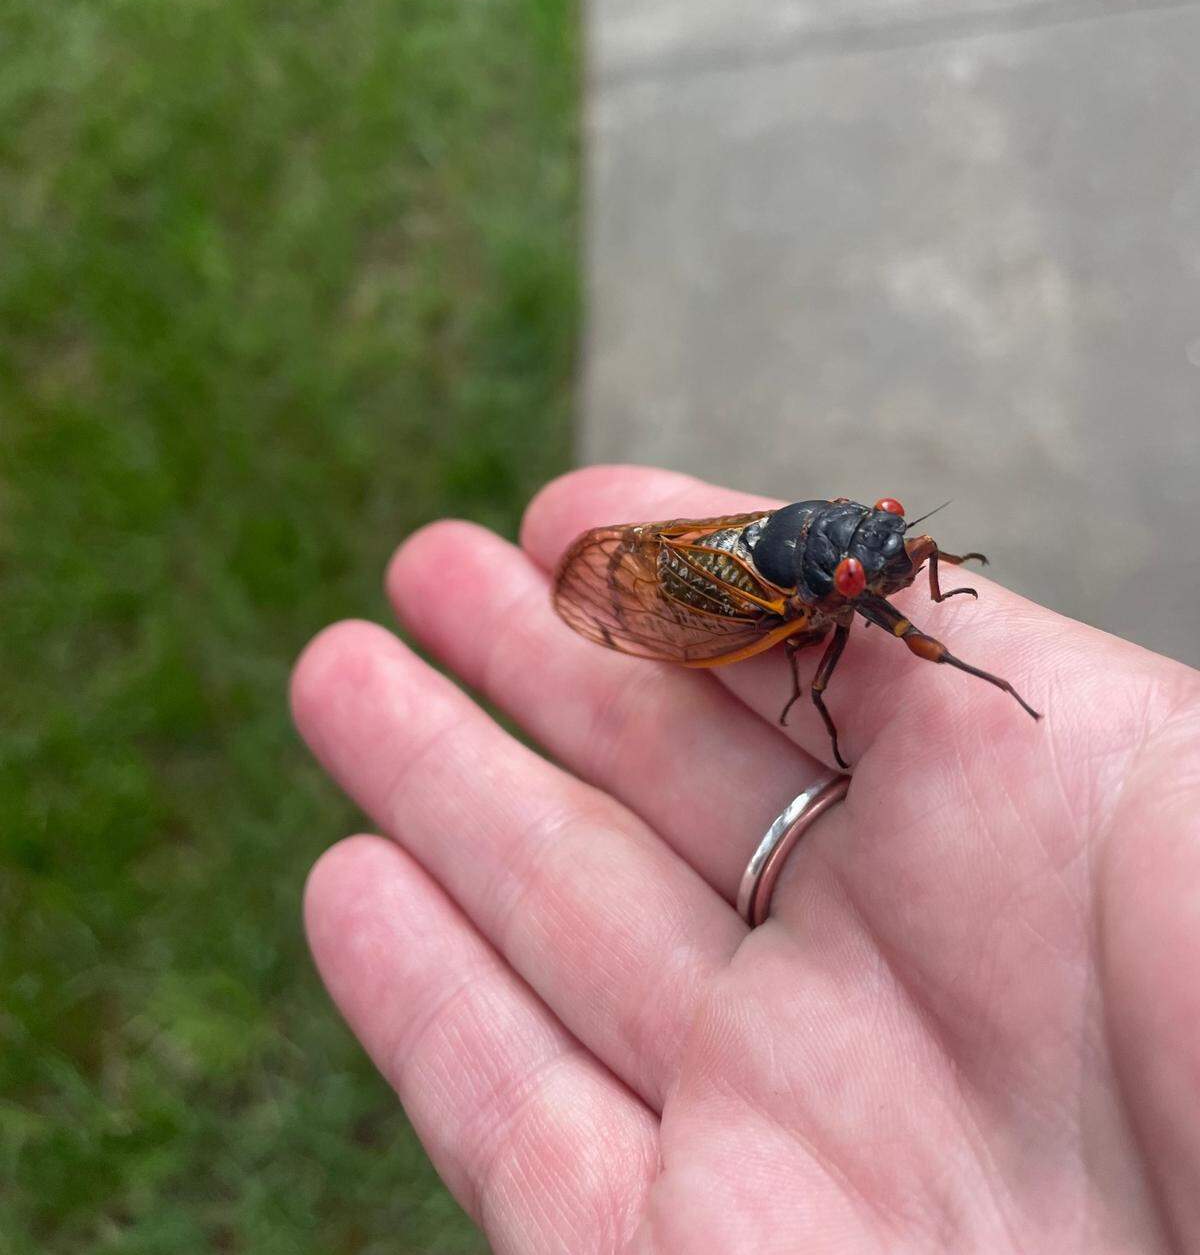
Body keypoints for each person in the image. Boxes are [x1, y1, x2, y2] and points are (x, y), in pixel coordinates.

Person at [290, 465, 1200, 1254]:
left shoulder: (870, 553)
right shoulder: (813, 601)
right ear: (839, 583)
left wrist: (937, 569)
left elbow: (899, 559)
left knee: (857, 611)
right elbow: (837, 642)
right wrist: (979, 676)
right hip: (737, 586)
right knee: (806, 667)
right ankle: (692, 585)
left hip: (776, 551)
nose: (892, 552)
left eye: (892, 529)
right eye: (862, 567)